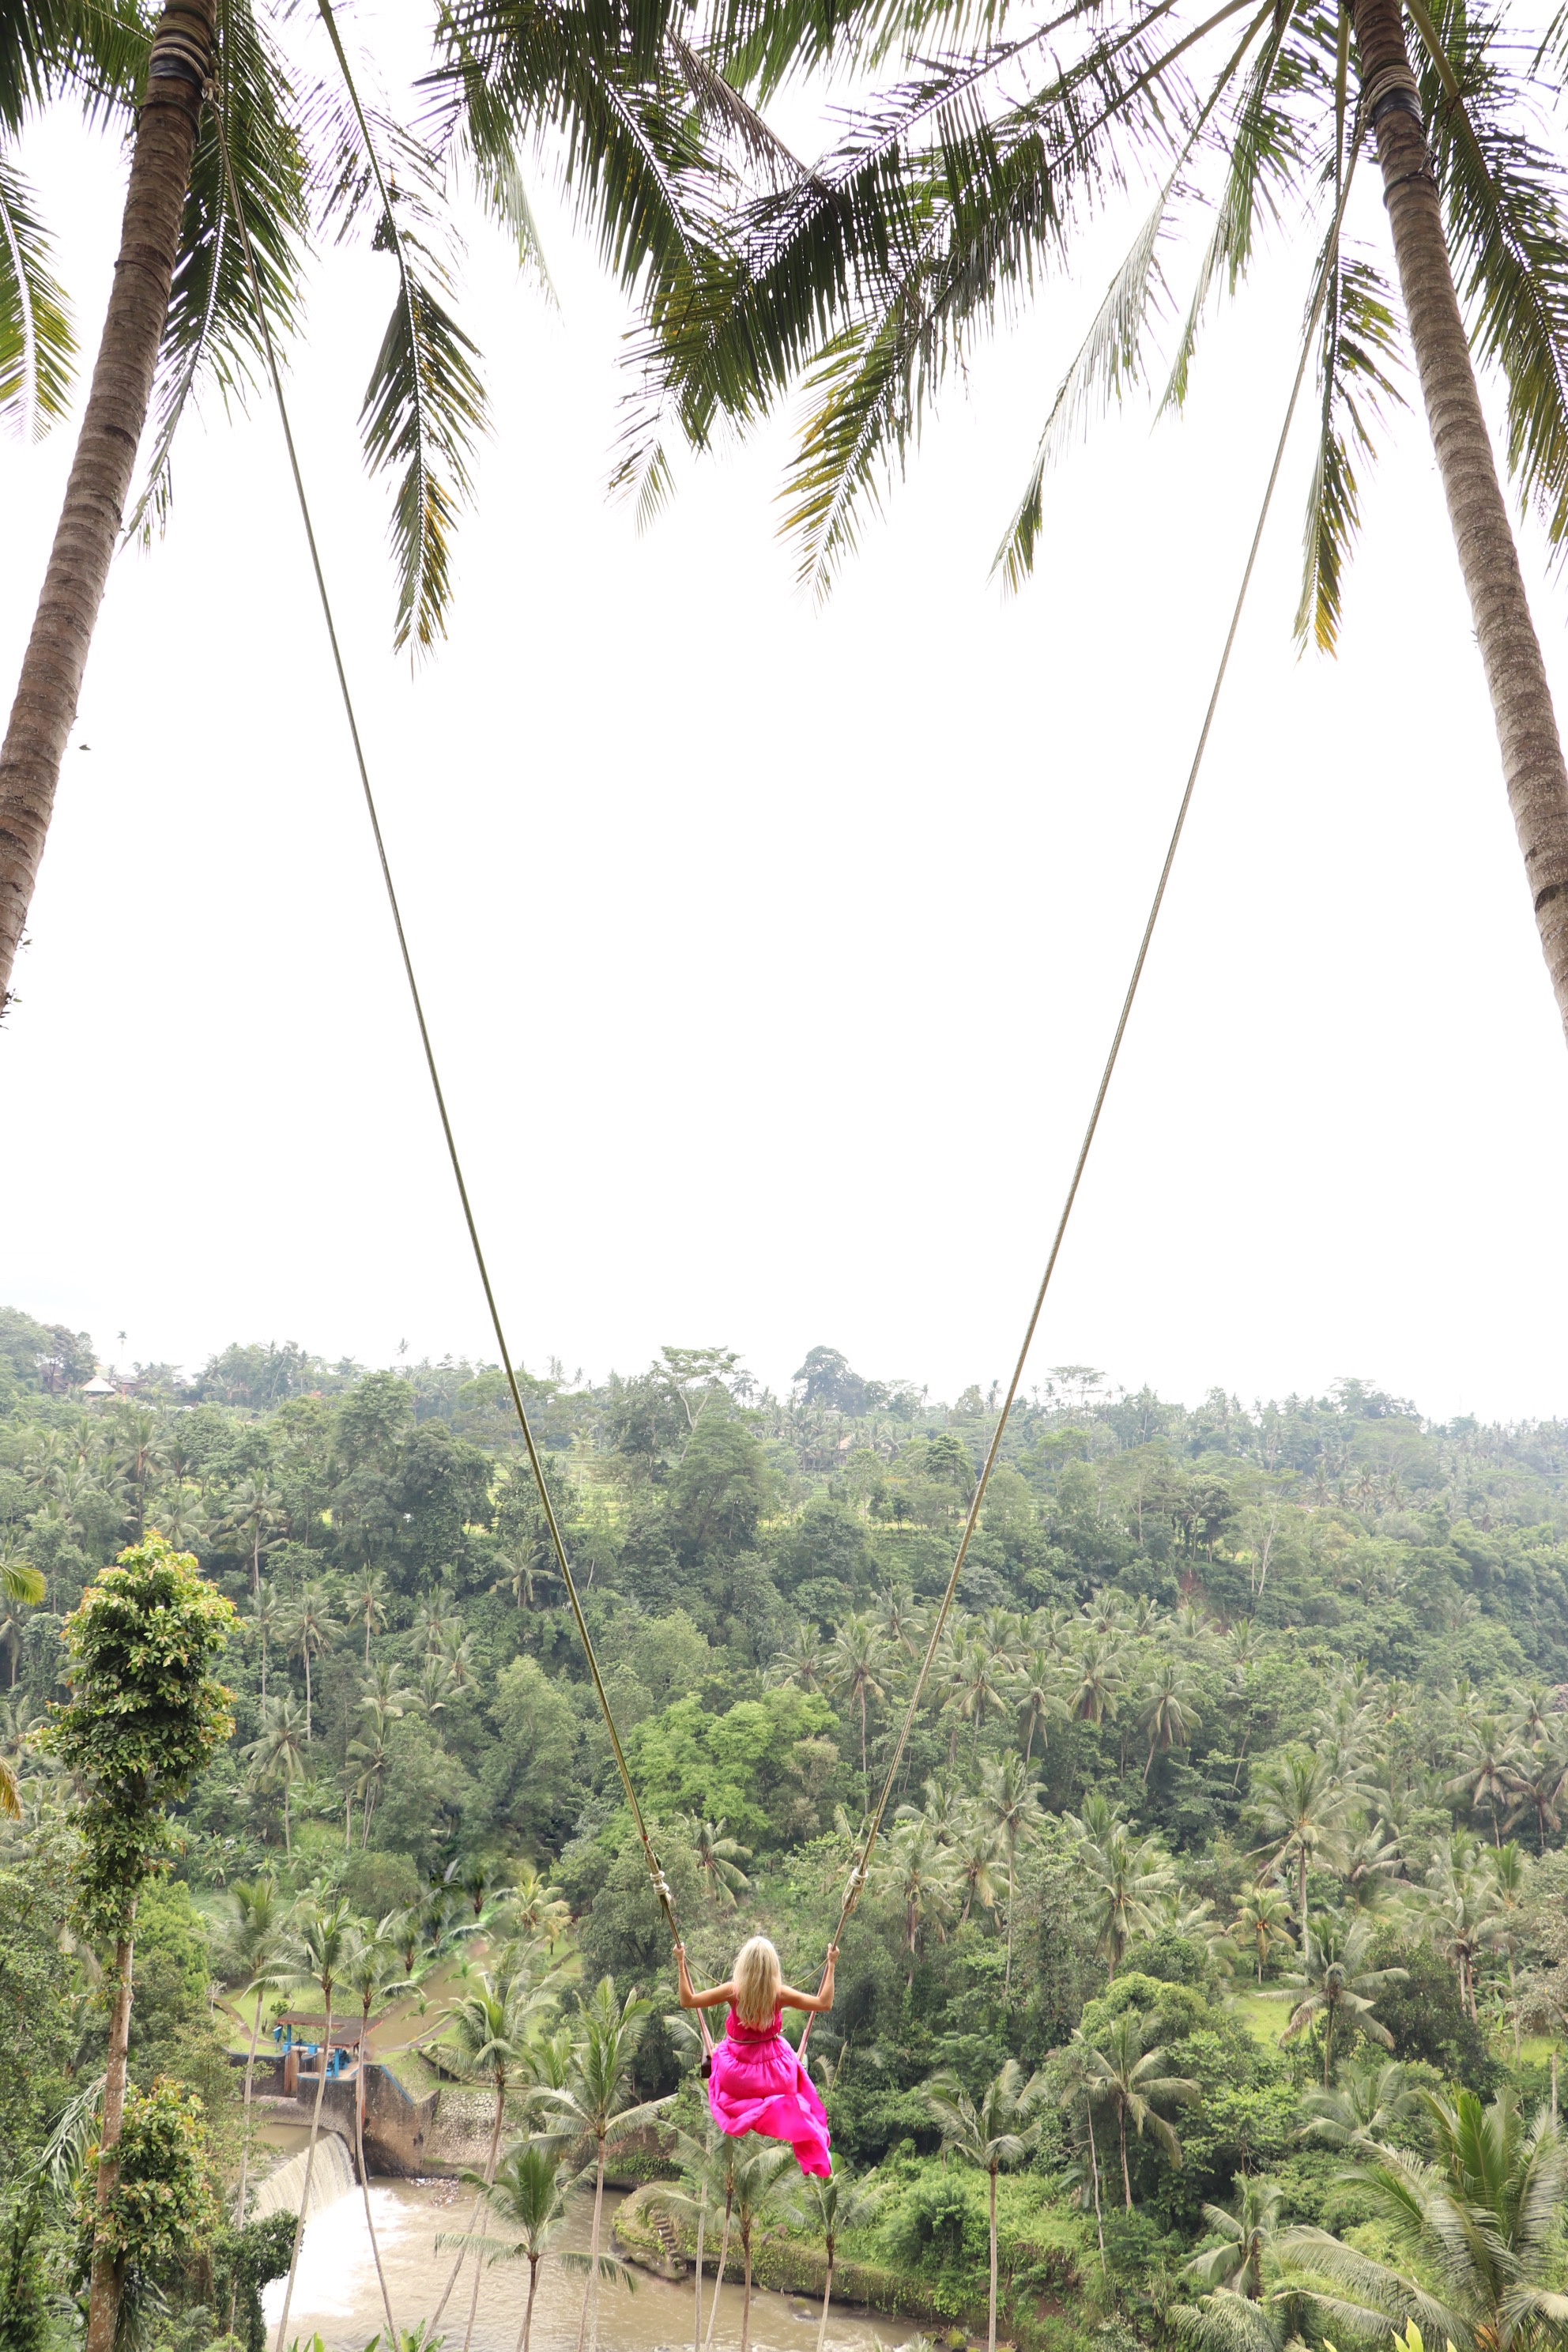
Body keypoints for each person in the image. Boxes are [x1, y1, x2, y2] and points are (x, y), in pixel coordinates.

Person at [676, 1933, 837, 2177]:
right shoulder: (779, 1994)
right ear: (773, 1968)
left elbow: (688, 1999)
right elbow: (824, 2003)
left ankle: (759, 2107)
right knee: (796, 2074)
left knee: (715, 2060)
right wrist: (832, 1964)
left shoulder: (733, 1992)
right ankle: (775, 2104)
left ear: (743, 1965)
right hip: (777, 2077)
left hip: (738, 2078)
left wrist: (680, 1963)